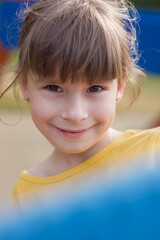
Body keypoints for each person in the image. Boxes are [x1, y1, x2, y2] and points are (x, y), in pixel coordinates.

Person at [1, 0, 160, 211]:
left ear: (120, 86)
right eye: (53, 87)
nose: (75, 114)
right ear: (24, 85)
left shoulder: (152, 154)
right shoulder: (26, 194)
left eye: (94, 89)